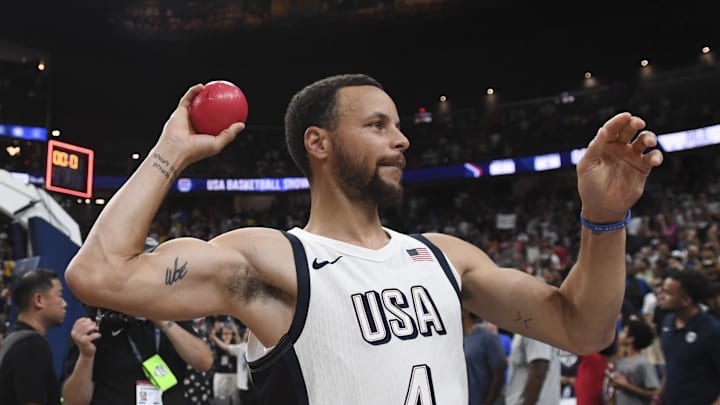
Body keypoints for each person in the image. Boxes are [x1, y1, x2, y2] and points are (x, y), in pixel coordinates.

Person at [64, 73, 664, 404]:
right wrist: (171, 150)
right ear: (319, 144)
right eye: (378, 125)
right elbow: (99, 275)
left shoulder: (443, 256)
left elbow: (584, 329)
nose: (401, 140)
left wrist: (603, 218)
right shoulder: (274, 259)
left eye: (399, 127)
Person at [60, 305, 214, 405]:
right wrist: (86, 356)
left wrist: (163, 321)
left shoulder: (170, 314)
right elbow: (73, 401)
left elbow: (204, 362)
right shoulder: (95, 325)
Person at [0, 269, 67, 405]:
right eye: (59, 295)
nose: (64, 304)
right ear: (39, 300)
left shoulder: (11, 340)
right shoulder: (31, 346)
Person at [654, 270, 720, 405]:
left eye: (667, 293)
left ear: (686, 300)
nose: (660, 296)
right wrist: (658, 397)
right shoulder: (667, 321)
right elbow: (673, 366)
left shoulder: (712, 330)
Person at [608, 316, 659, 404]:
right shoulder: (619, 361)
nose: (620, 333)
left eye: (624, 331)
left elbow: (655, 393)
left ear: (631, 339)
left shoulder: (643, 363)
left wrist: (628, 387)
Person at [461, 309, 507, 405]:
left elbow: (499, 373)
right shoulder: (458, 340)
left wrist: (488, 402)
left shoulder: (487, 338)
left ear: (465, 311)